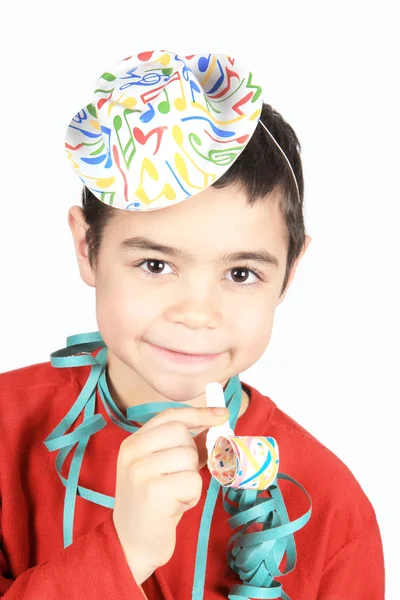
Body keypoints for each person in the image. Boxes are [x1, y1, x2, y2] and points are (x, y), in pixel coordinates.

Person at [0, 50, 384, 599]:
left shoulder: (330, 505)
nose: (197, 313)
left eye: (242, 272)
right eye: (156, 265)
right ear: (88, 247)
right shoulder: (4, 431)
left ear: (290, 274)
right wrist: (123, 551)